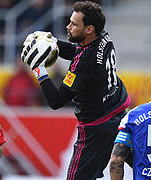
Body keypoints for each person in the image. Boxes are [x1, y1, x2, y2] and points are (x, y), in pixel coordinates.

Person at [21, 1, 132, 179]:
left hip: (97, 128)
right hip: (120, 115)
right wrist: (52, 43)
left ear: (89, 29)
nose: (68, 26)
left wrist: (39, 70)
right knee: (147, 171)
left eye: (73, 24)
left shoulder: (84, 64)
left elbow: (56, 101)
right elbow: (77, 50)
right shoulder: (103, 37)